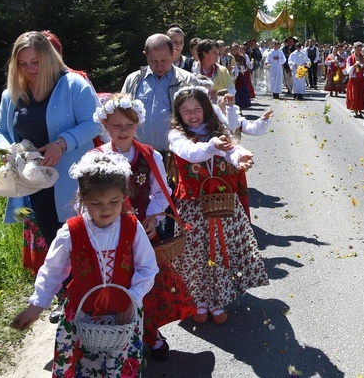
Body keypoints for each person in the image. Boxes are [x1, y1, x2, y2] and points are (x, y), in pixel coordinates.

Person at [11, 151, 159, 376]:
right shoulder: (72, 231)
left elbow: (147, 268)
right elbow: (52, 271)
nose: (106, 209)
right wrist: (36, 306)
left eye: (114, 201)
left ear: (124, 196)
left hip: (123, 313)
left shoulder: (131, 227)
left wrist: (133, 299)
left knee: (118, 366)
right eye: (96, 203)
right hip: (82, 314)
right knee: (84, 368)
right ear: (83, 199)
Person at [93, 93, 195, 360]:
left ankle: (151, 333)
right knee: (116, 284)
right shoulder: (96, 158)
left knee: (146, 284)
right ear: (105, 126)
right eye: (116, 126)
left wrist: (152, 217)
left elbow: (161, 191)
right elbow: (88, 198)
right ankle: (122, 336)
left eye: (129, 125)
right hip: (110, 235)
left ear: (138, 124)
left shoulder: (149, 156)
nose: (123, 131)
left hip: (143, 235)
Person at [0, 32, 101, 283]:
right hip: (35, 183)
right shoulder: (12, 93)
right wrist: (9, 150)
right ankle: (66, 298)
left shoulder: (73, 84)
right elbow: (0, 131)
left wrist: (62, 143)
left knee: (80, 239)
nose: (29, 69)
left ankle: (91, 295)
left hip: (72, 182)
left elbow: (94, 122)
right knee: (55, 243)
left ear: (49, 59)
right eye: (23, 63)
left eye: (35, 62)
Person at [169, 87, 268, 325]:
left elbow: (232, 150)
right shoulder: (176, 136)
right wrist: (214, 145)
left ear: (206, 109)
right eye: (186, 111)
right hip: (193, 206)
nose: (193, 115)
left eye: (197, 109)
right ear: (178, 113)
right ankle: (199, 299)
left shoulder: (218, 130)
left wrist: (240, 157)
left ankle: (218, 300)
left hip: (222, 203)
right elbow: (191, 153)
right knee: (197, 252)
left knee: (220, 250)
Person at [121, 33, 199, 156]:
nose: (159, 65)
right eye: (154, 61)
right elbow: (122, 116)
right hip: (141, 155)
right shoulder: (133, 80)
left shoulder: (188, 81)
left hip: (176, 155)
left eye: (164, 60)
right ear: (145, 55)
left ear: (173, 54)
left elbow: (200, 120)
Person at [344, 41, 364, 118]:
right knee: (354, 95)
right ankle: (355, 110)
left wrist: (363, 66)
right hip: (354, 79)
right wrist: (354, 66)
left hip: (362, 79)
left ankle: (360, 111)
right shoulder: (350, 58)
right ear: (354, 49)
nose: (359, 51)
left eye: (360, 50)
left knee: (361, 95)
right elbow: (347, 70)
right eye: (357, 50)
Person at [232, 44, 253, 109]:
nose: (234, 50)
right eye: (233, 49)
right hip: (230, 75)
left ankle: (240, 107)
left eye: (236, 49)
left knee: (240, 91)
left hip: (239, 76)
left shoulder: (241, 57)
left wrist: (239, 67)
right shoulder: (229, 57)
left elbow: (245, 68)